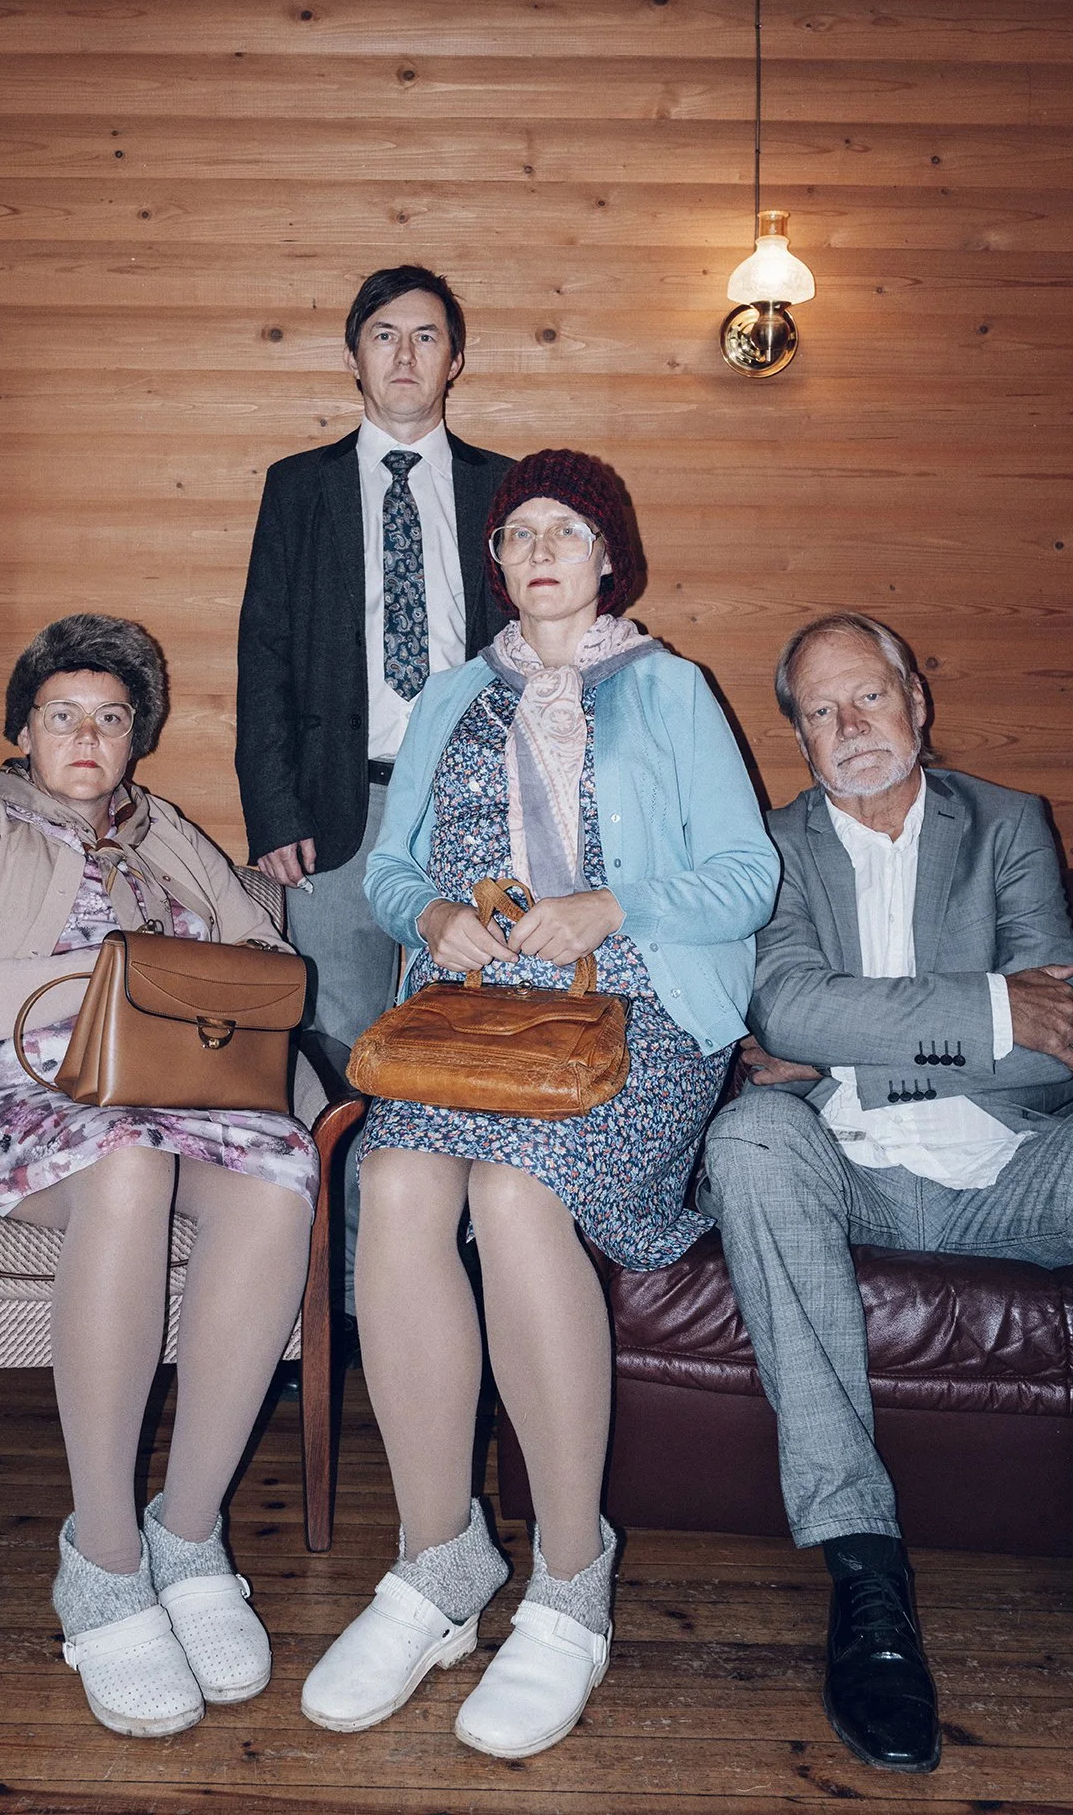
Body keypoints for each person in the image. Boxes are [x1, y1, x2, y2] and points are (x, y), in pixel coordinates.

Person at [299, 450, 778, 1758]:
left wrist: (613, 905)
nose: (542, 550)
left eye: (568, 529)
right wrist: (432, 916)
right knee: (394, 1178)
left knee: (518, 1193)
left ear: (610, 555)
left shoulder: (670, 688)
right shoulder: (455, 695)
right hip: (472, 1017)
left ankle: (570, 1579)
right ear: (499, 564)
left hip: (634, 1009)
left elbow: (745, 876)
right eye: (519, 534)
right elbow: (391, 873)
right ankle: (440, 1556)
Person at [701, 611, 1073, 1776]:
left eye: (868, 695)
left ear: (916, 699)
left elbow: (1057, 1047)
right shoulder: (771, 845)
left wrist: (852, 1049)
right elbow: (784, 1007)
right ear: (799, 736)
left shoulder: (1007, 821)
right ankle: (864, 1569)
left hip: (1008, 1166)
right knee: (750, 1135)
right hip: (842, 1163)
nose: (850, 725)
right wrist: (990, 1005)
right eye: (820, 711)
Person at [0, 614, 317, 1740]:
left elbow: (267, 963)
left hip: (168, 1096)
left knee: (280, 1175)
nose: (86, 736)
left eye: (110, 719)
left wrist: (189, 975)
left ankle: (188, 1532)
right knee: (126, 1162)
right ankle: (106, 1559)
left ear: (135, 740)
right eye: (62, 714)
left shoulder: (169, 836)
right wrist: (123, 972)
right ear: (22, 730)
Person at [235, 264, 511, 1302]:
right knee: (344, 1052)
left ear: (455, 359)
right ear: (353, 355)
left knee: (465, 1049)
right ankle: (353, 1300)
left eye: (426, 335)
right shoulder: (297, 488)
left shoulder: (504, 489)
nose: (404, 353)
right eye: (384, 334)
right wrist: (274, 810)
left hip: (471, 816)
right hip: (335, 815)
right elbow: (264, 655)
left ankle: (463, 1286)